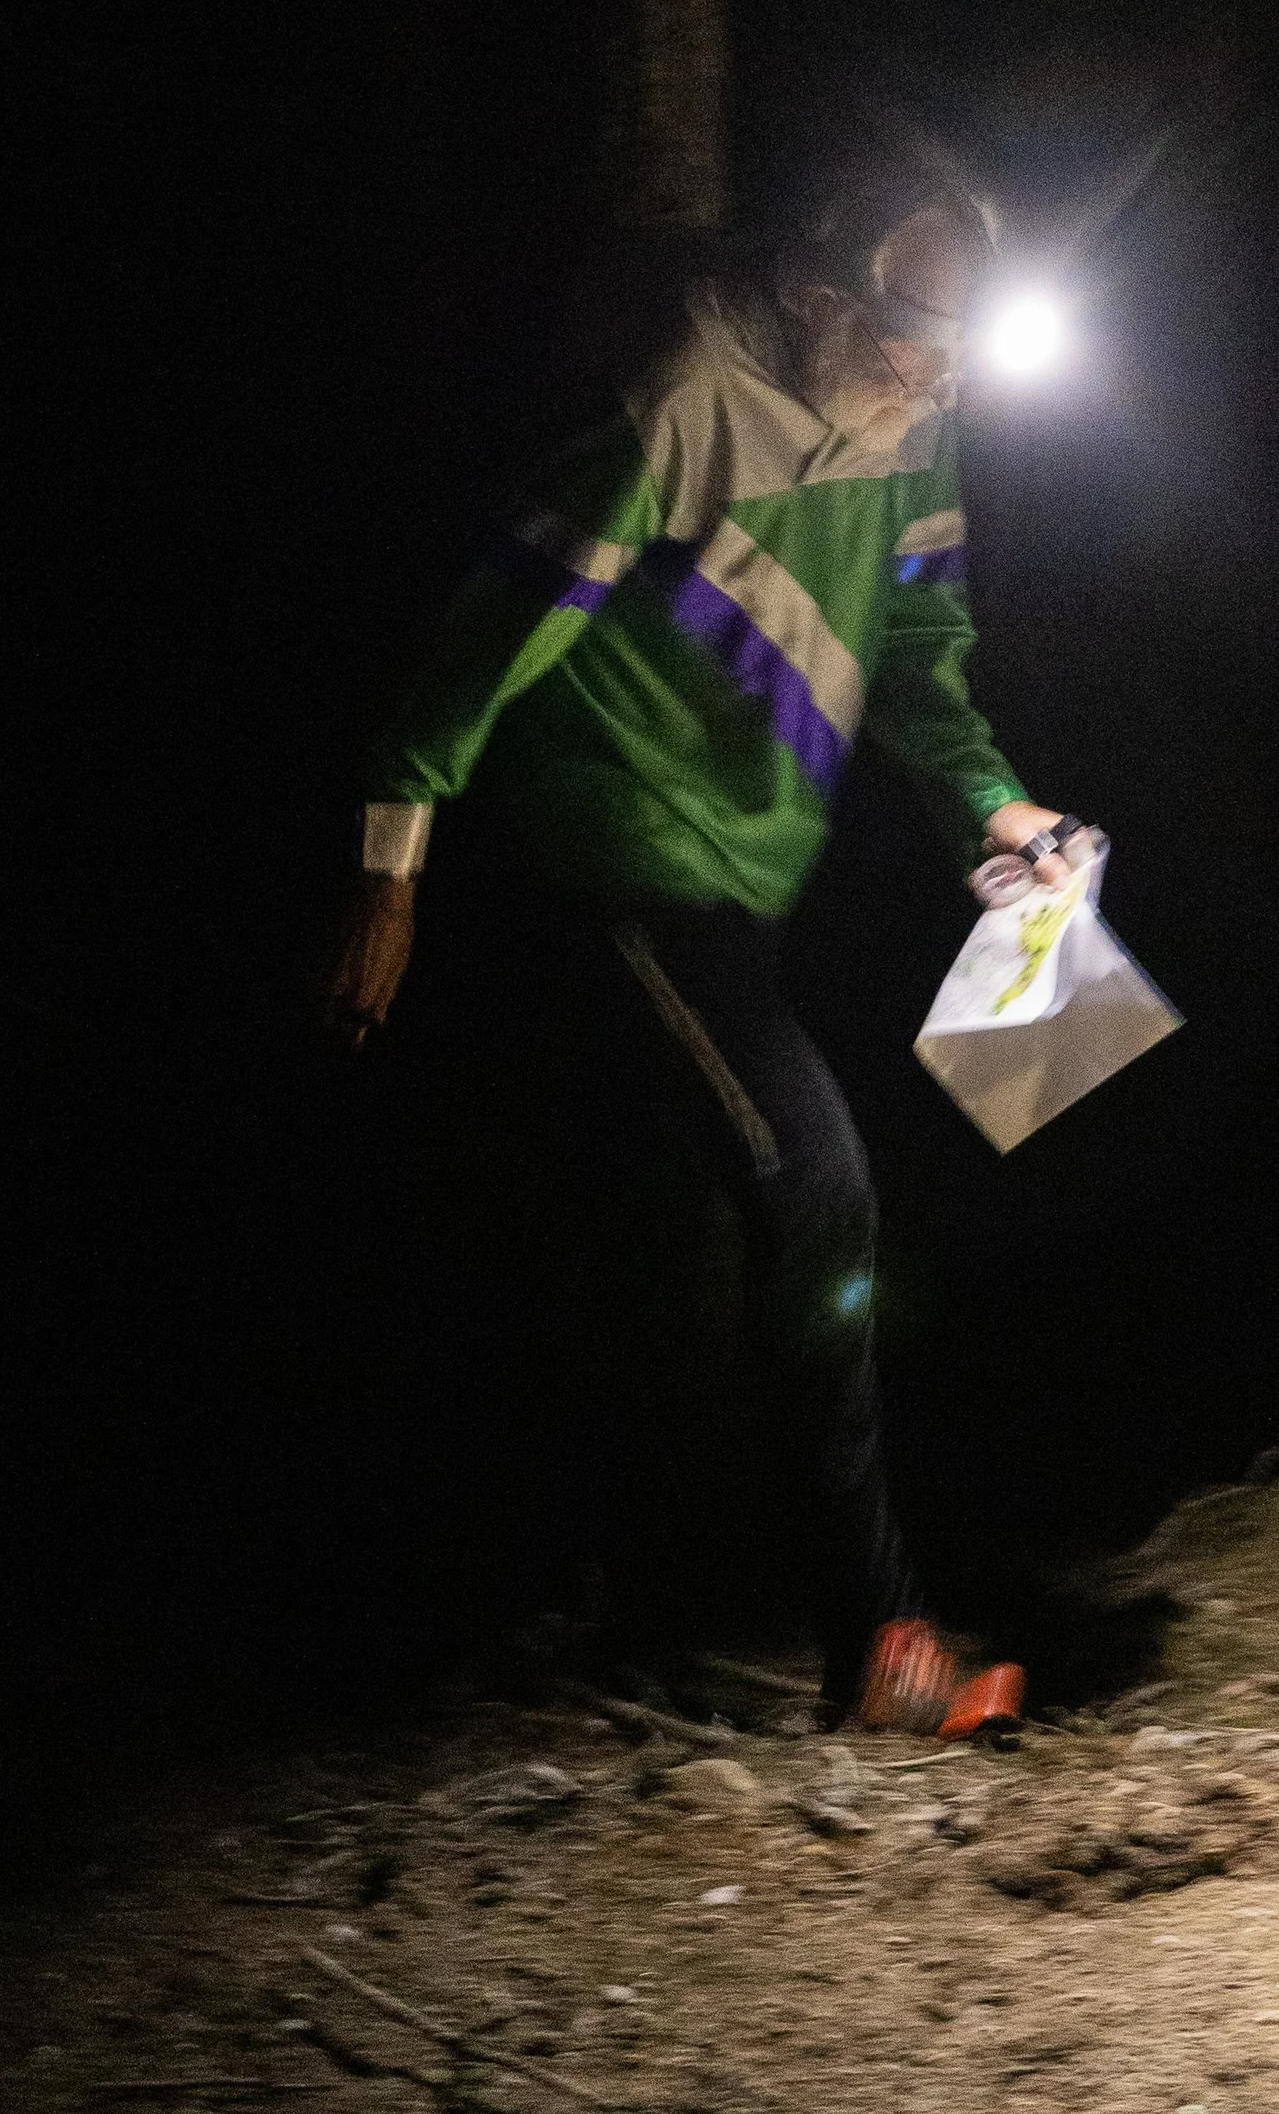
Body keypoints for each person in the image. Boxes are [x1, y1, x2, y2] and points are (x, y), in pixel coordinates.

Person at [324, 170, 1080, 1738]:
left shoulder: (920, 432)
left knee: (658, 1229)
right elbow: (493, 627)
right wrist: (392, 859)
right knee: (818, 1181)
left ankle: (551, 1596)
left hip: (755, 873)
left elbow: (927, 665)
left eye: (955, 347)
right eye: (903, 333)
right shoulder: (678, 405)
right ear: (816, 296)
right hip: (611, 853)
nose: (928, 373)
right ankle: (880, 1639)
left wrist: (995, 816)